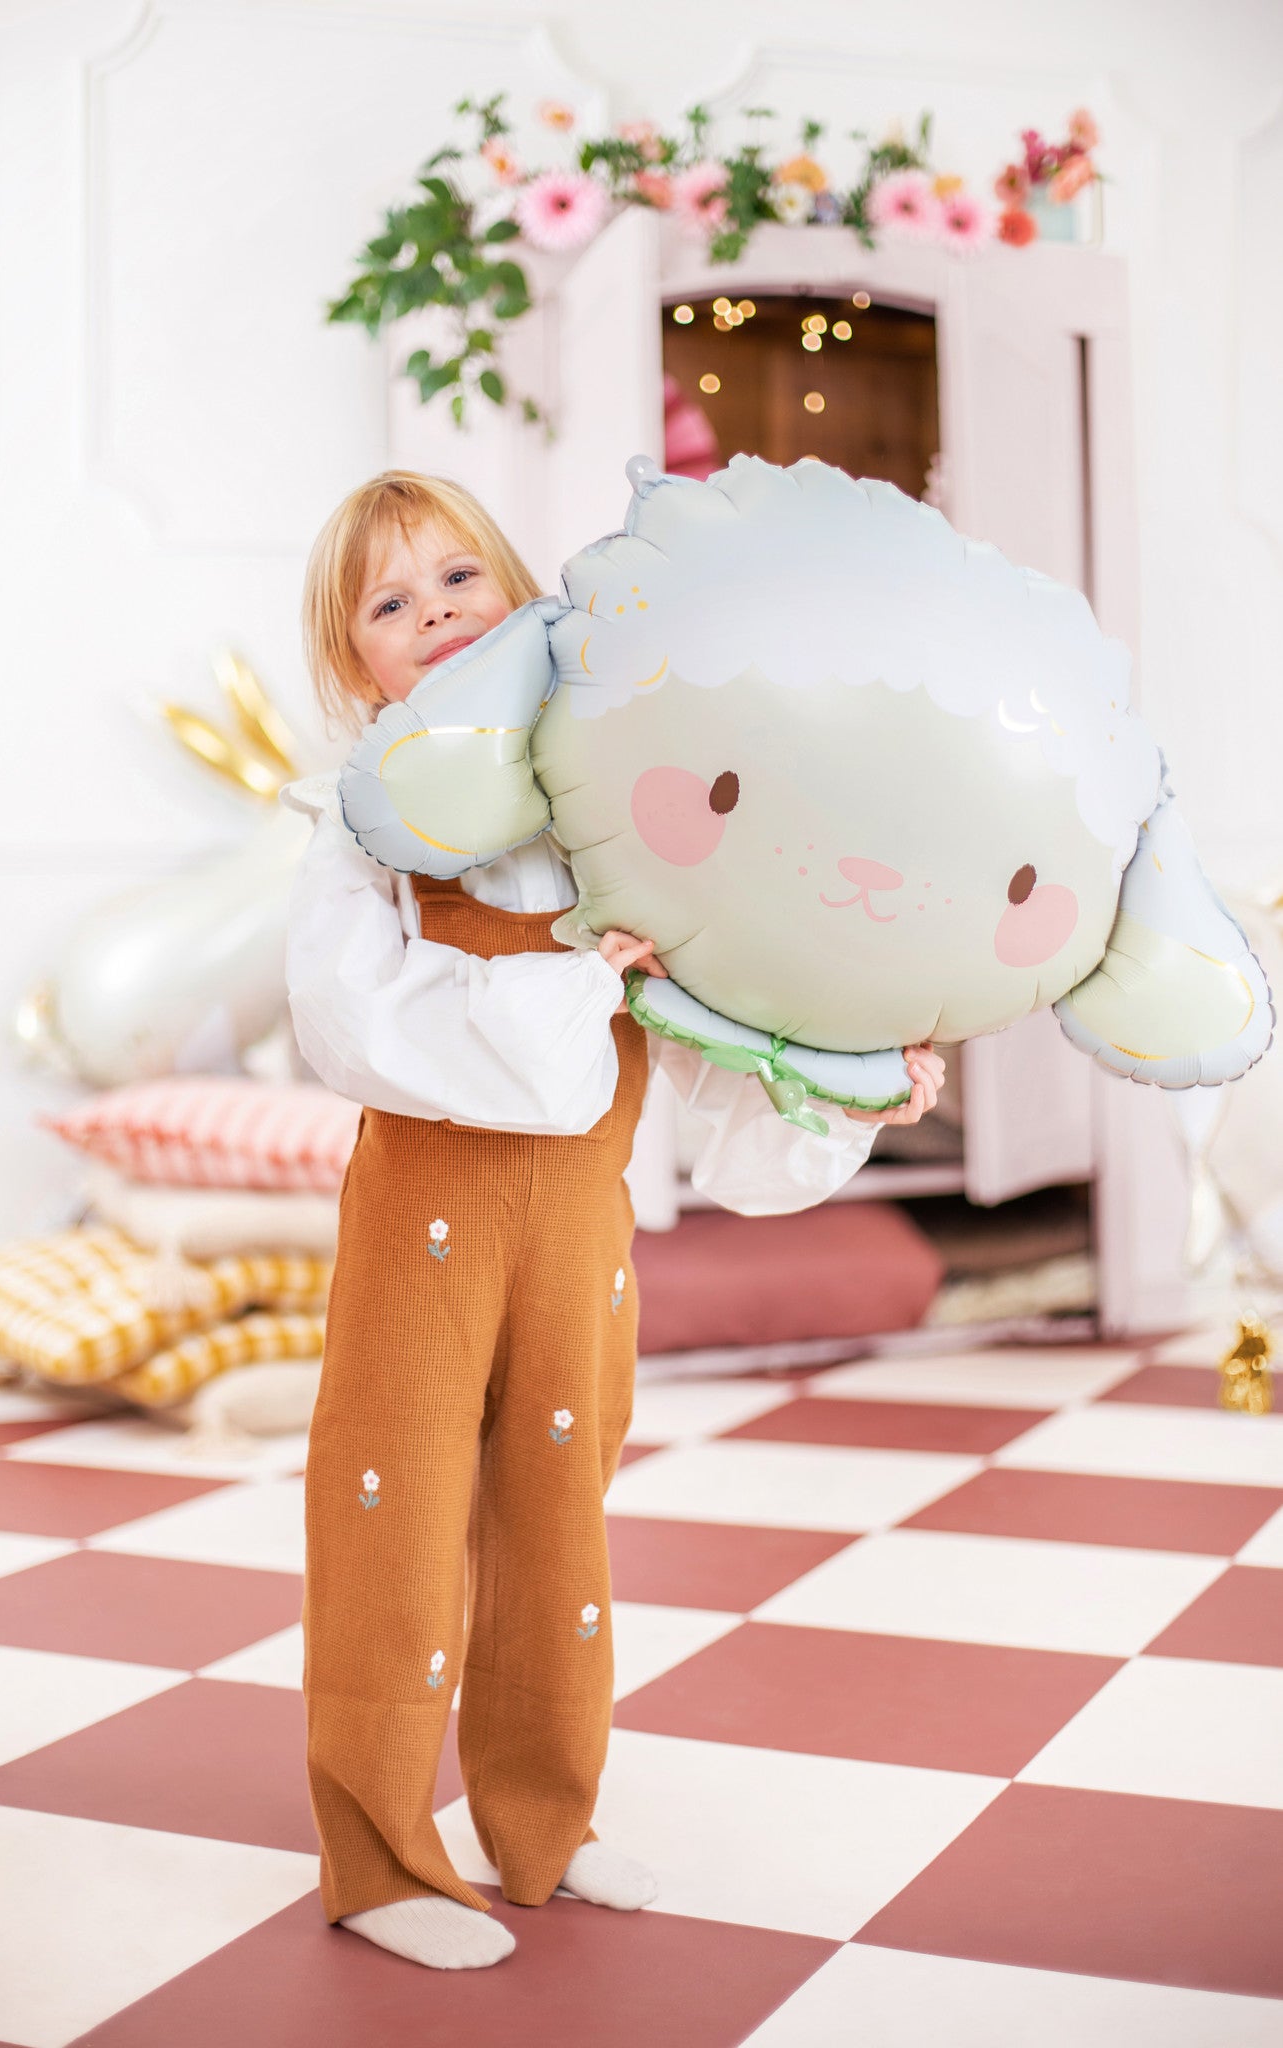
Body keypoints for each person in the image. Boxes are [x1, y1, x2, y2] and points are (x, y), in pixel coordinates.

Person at [283, 470, 945, 1972]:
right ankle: (380, 1856)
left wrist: (849, 1080)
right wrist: (574, 983)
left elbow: (714, 1045)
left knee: (555, 1521)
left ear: (521, 596)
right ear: (355, 665)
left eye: (459, 578)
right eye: (389, 603)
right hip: (423, 1234)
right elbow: (349, 1018)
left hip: (582, 1239)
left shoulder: (617, 824)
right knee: (393, 1519)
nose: (434, 613)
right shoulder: (371, 828)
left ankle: (541, 1820)